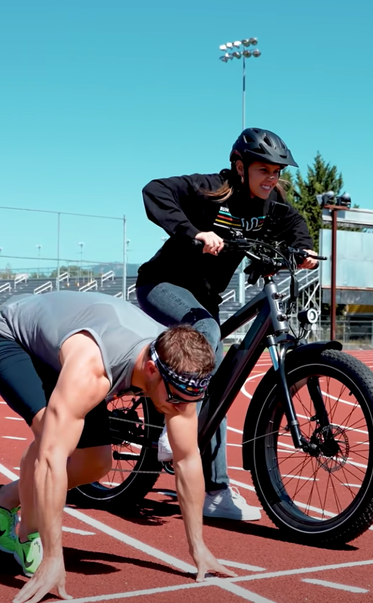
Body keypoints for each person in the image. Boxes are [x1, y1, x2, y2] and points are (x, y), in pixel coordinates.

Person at [0, 290, 236, 603]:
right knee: (51, 434)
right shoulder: (92, 369)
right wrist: (54, 559)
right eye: (177, 399)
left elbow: (187, 459)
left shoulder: (179, 373)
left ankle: (2, 499)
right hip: (10, 338)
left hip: (69, 345)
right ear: (152, 370)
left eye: (190, 401)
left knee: (96, 463)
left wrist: (199, 548)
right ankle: (27, 533)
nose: (182, 408)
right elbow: (51, 460)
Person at [135, 127, 318, 522]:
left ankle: (216, 492)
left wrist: (303, 251)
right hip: (163, 284)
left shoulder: (272, 205)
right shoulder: (212, 188)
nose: (272, 178)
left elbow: (295, 225)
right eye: (264, 169)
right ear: (240, 166)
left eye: (277, 171)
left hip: (204, 299)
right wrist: (194, 232)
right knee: (209, 333)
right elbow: (154, 191)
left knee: (218, 379)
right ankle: (176, 427)